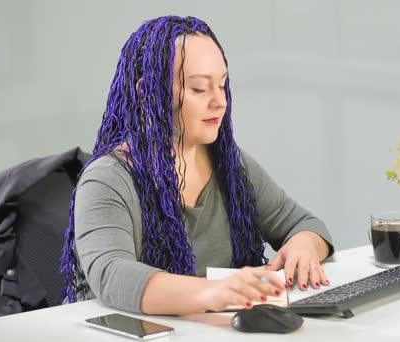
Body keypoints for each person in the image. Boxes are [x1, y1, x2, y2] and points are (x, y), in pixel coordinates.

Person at [60, 15, 334, 316]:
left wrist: (303, 247)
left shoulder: (231, 164)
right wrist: (213, 292)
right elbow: (113, 276)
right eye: (200, 89)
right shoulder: (107, 180)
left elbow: (306, 226)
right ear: (146, 91)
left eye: (222, 84)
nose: (220, 101)